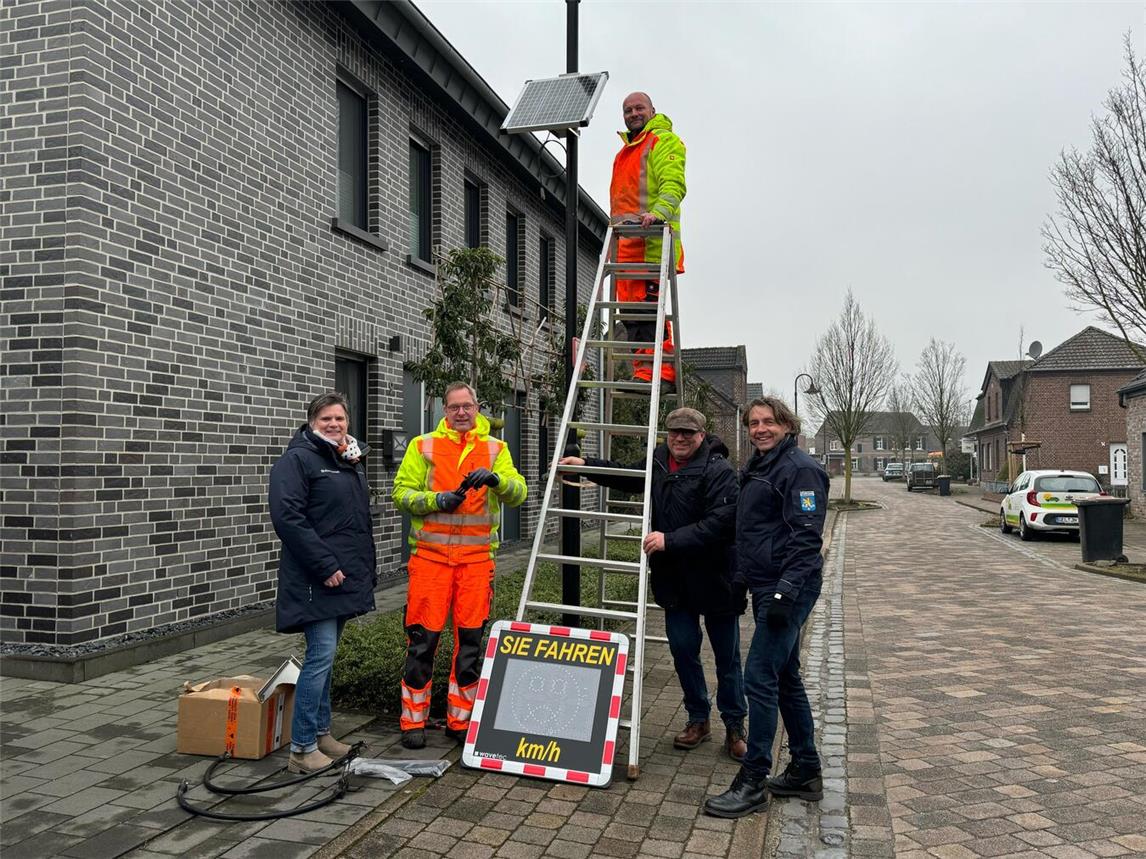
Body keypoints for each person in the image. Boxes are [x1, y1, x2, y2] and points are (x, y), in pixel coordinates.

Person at [560, 407, 748, 760]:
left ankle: (735, 725)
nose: (680, 438)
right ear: (666, 434)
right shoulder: (658, 462)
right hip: (675, 581)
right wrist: (585, 464)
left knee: (727, 658)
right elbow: (629, 475)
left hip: (717, 578)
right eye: (674, 432)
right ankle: (698, 718)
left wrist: (669, 540)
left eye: (688, 434)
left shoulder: (719, 470)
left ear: (701, 437)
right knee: (682, 651)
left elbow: (722, 523)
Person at [705, 396, 829, 818]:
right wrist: (742, 581)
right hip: (764, 586)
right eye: (753, 423)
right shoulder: (759, 468)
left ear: (786, 425)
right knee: (786, 676)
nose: (760, 429)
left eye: (768, 422)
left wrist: (785, 592)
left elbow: (807, 538)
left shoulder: (800, 470)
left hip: (788, 589)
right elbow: (753, 531)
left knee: (758, 676)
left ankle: (753, 779)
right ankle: (806, 770)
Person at [392, 382, 527, 749]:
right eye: (455, 407)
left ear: (478, 407)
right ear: (444, 411)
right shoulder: (423, 446)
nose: (462, 413)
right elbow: (401, 494)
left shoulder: (496, 448)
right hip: (431, 563)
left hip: (476, 563)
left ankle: (460, 721)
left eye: (468, 406)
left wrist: (497, 479)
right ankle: (412, 722)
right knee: (422, 642)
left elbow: (518, 491)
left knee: (470, 643)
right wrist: (436, 499)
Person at [269, 392, 377, 773]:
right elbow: (288, 518)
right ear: (312, 422)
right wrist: (325, 564)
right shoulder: (298, 460)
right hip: (317, 578)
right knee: (319, 657)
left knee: (327, 661)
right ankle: (300, 749)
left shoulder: (345, 460)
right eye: (326, 419)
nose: (334, 424)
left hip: (342, 577)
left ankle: (320, 733)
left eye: (340, 419)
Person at [610, 91, 686, 389]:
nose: (632, 114)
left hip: (650, 245)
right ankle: (644, 371)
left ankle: (663, 374)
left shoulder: (663, 141)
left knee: (650, 313)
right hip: (626, 249)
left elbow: (674, 183)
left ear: (652, 110)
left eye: (638, 108)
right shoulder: (625, 153)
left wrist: (658, 213)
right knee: (632, 318)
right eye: (627, 110)